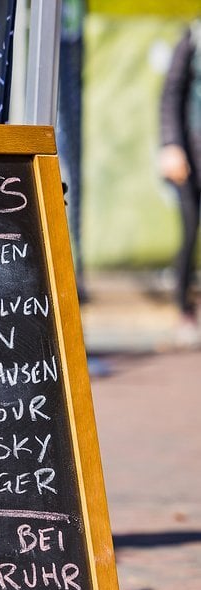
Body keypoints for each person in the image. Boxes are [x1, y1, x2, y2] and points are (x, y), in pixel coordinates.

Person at [159, 21, 201, 348]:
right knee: (190, 232)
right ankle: (184, 310)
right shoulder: (192, 36)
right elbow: (171, 94)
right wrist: (171, 145)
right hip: (192, 156)